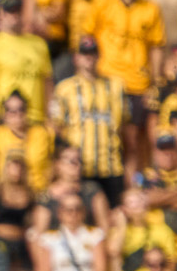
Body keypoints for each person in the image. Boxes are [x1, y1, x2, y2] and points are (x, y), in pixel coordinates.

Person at [74, 0, 165, 170]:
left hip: (137, 83)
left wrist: (155, 81)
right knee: (110, 139)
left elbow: (157, 47)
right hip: (107, 81)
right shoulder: (102, 3)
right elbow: (87, 39)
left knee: (135, 142)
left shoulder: (150, 7)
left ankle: (135, 190)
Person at [52, 35, 128, 205]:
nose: (89, 57)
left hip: (111, 167)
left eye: (92, 53)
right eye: (84, 53)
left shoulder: (116, 86)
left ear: (99, 56)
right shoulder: (64, 89)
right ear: (76, 58)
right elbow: (57, 129)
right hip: (80, 168)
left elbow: (126, 132)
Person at [0, 0, 54, 135]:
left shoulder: (39, 44)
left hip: (36, 120)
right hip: (8, 120)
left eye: (18, 10)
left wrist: (50, 117)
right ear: (2, 14)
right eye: (10, 11)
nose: (14, 15)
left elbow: (47, 83)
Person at [0, 91, 55, 194]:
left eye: (21, 109)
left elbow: (55, 164)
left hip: (39, 194)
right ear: (4, 114)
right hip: (6, 196)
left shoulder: (43, 134)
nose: (18, 114)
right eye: (12, 111)